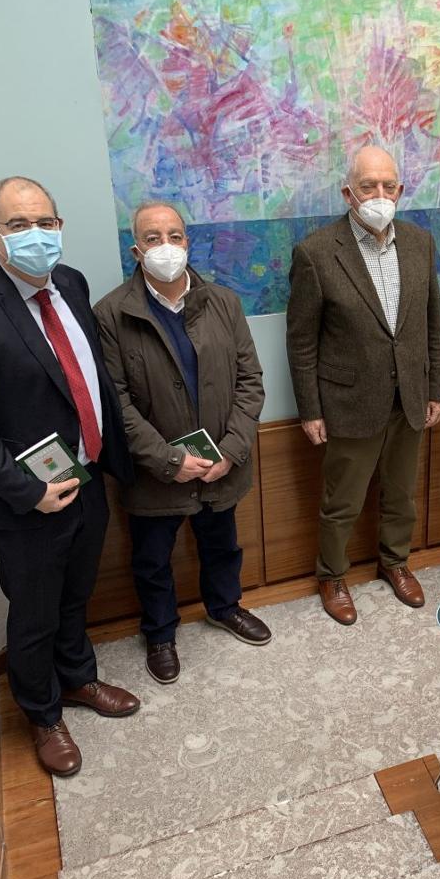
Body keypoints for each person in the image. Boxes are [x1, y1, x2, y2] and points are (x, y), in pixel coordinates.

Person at [0, 176, 140, 777]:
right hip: (28, 501)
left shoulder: (69, 284)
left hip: (88, 478)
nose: (36, 236)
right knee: (33, 611)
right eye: (19, 226)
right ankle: (42, 714)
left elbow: (87, 381)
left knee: (76, 595)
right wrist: (29, 492)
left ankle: (78, 680)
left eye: (46, 223)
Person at [95, 201, 268, 684]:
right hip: (155, 473)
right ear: (136, 248)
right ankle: (160, 633)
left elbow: (250, 380)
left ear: (187, 242)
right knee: (152, 560)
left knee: (222, 545)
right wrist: (169, 459)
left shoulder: (223, 302)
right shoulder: (111, 314)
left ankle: (224, 607)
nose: (165, 246)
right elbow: (117, 403)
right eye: (153, 238)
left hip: (220, 464)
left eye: (174, 235)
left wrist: (231, 449)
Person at [286, 146, 440, 625]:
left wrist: (435, 388)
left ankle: (394, 562)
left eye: (388, 186)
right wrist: (310, 409)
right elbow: (301, 343)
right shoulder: (316, 253)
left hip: (410, 400)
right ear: (348, 193)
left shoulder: (420, 244)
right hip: (349, 402)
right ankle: (331, 575)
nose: (380, 195)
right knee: (342, 502)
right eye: (368, 186)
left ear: (401, 189)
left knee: (401, 494)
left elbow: (430, 324)